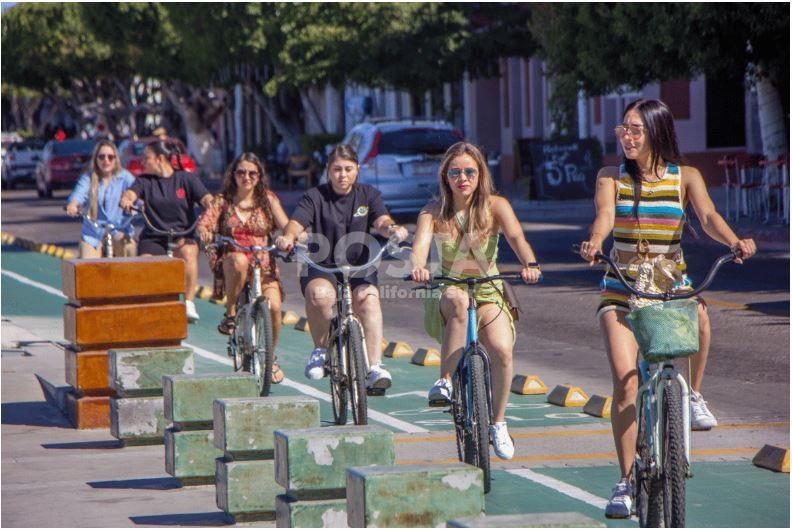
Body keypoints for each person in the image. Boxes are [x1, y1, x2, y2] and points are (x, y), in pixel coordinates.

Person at [578, 99, 757, 519]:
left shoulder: (685, 176)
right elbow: (604, 217)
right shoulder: (611, 177)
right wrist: (595, 242)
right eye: (623, 129)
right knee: (625, 383)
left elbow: (708, 215)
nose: (627, 136)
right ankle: (625, 480)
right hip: (620, 287)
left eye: (636, 129)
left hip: (670, 283)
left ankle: (692, 394)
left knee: (698, 313)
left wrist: (734, 241)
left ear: (656, 132)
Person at [410, 141, 542, 460]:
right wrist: (418, 267)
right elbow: (420, 245)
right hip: (450, 288)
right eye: (455, 172)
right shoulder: (432, 212)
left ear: (481, 174)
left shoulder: (496, 206)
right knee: (457, 302)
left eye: (470, 171)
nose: (462, 178)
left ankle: (498, 422)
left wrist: (531, 264)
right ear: (446, 177)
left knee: (501, 350)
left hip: (487, 289)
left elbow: (517, 238)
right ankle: (444, 381)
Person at [275, 144, 408, 394]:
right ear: (328, 170)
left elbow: (382, 220)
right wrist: (289, 237)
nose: (342, 175)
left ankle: (375, 366)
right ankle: (321, 350)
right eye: (337, 169)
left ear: (357, 169)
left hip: (360, 264)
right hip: (322, 263)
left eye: (348, 169)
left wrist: (392, 230)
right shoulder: (315, 196)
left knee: (367, 299)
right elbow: (296, 222)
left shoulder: (369, 195)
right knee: (321, 296)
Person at [196, 153, 290, 383]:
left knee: (275, 307)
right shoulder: (223, 201)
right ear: (233, 175)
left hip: (263, 262)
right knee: (238, 260)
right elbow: (204, 224)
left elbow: (286, 225)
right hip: (234, 260)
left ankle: (271, 356)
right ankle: (230, 313)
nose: (246, 177)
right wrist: (206, 232)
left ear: (259, 176)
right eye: (241, 172)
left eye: (252, 173)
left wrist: (290, 237)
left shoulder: (267, 199)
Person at [119, 139, 212, 323]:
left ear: (160, 159)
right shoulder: (144, 181)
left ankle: (189, 302)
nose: (142, 162)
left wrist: (210, 207)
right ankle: (149, 305)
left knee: (188, 251)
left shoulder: (186, 179)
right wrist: (127, 200)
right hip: (154, 236)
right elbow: (130, 193)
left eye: (146, 158)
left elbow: (207, 198)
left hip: (182, 234)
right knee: (146, 264)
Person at [65, 140, 137, 258]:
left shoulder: (125, 177)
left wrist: (138, 204)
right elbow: (78, 194)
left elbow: (137, 192)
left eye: (110, 157)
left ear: (116, 159)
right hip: (93, 233)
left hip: (119, 229)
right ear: (96, 159)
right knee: (87, 265)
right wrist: (73, 205)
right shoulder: (88, 177)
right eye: (101, 157)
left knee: (130, 247)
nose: (106, 161)